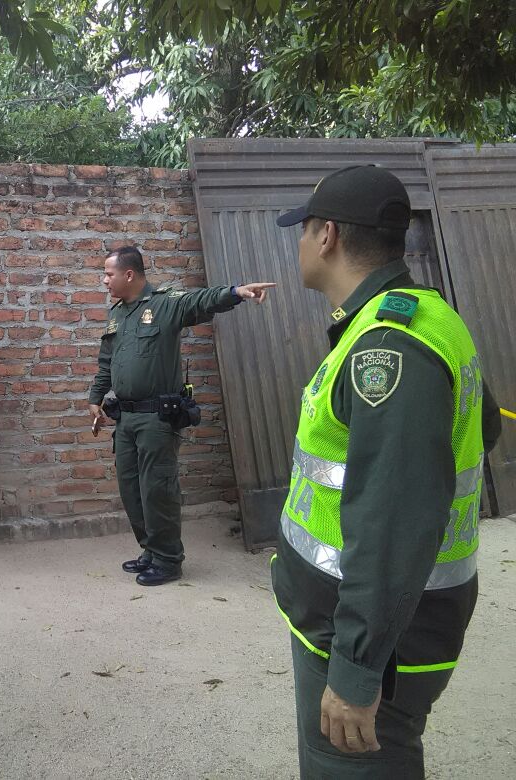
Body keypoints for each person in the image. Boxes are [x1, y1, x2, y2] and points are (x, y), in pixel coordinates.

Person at [272, 164, 502, 777]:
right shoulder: (427, 316)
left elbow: (395, 521)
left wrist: (355, 672)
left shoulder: (387, 349)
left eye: (303, 230)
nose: (300, 244)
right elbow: (484, 430)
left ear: (327, 236)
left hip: (372, 635)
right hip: (375, 619)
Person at [88, 245, 274, 586]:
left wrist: (236, 292)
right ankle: (151, 551)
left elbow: (199, 301)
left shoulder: (165, 304)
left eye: (108, 274)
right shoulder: (117, 314)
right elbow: (106, 362)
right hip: (125, 419)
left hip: (155, 418)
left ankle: (169, 560)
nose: (104, 280)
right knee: (131, 489)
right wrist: (95, 398)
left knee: (157, 489)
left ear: (128, 274)